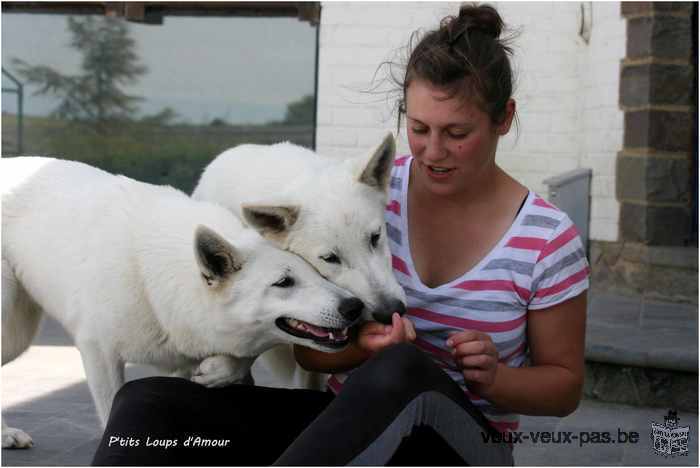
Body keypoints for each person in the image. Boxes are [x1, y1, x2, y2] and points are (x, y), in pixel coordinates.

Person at [92, 3, 588, 466]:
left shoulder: (546, 239)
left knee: (401, 372)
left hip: (460, 447)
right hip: (346, 434)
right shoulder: (358, 202)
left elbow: (565, 390)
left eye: (457, 133)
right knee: (146, 404)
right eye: (418, 128)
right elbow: (309, 350)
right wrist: (358, 349)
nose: (434, 151)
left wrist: (499, 379)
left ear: (504, 119)